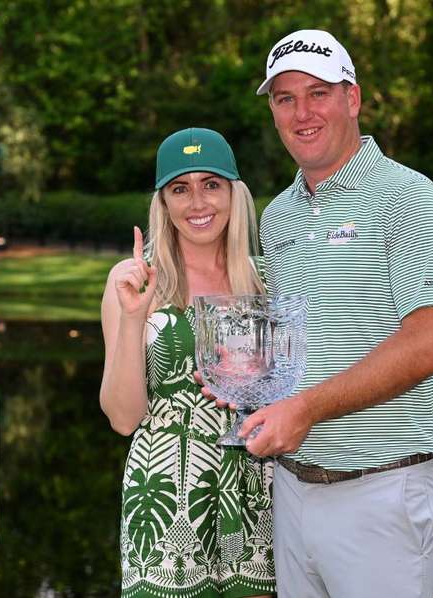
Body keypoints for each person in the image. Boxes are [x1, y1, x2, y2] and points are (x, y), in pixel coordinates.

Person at [207, 30, 433, 596]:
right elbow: (292, 350)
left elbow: (430, 344)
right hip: (292, 490)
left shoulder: (409, 197)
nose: (302, 112)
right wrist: (247, 379)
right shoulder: (278, 216)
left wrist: (305, 407)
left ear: (352, 99)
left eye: (318, 92)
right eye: (284, 98)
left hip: (382, 494)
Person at [99, 128, 275, 597]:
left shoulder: (266, 281)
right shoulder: (133, 281)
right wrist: (135, 319)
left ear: (234, 194)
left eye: (211, 184)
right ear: (163, 202)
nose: (198, 202)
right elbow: (122, 418)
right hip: (164, 494)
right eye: (181, 188)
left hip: (256, 491)